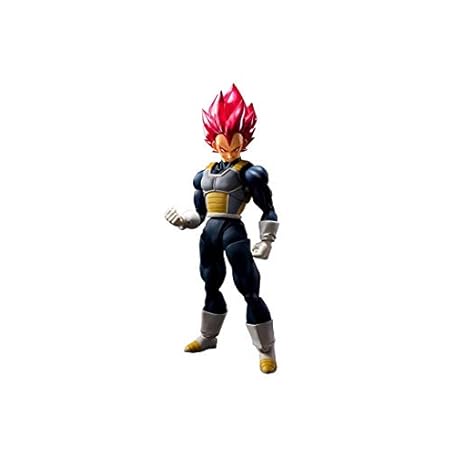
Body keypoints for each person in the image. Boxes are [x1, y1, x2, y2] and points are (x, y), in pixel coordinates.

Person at [165, 84, 280, 373]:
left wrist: (267, 239)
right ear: (213, 142)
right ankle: (208, 336)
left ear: (244, 142)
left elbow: (267, 208)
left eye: (235, 147)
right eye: (223, 147)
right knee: (210, 284)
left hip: (233, 233)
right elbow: (200, 214)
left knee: (249, 289)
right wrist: (183, 220)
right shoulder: (202, 175)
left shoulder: (250, 172)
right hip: (210, 234)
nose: (229, 152)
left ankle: (266, 349)